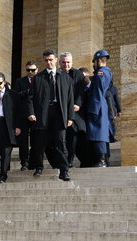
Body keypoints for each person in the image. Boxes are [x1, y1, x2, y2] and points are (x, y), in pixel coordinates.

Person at [27, 49, 75, 181]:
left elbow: (70, 99)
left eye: (51, 60)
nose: (48, 62)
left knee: (61, 142)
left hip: (59, 114)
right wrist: (31, 112)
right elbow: (30, 98)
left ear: (55, 60)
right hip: (43, 114)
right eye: (46, 60)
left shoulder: (65, 77)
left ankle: (64, 170)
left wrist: (70, 116)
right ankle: (38, 167)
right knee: (40, 142)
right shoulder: (38, 78)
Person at [0, 72, 21, 183]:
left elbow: (18, 112)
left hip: (7, 125)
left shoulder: (13, 95)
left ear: (4, 82)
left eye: (0, 83)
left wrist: (18, 126)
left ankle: (3, 174)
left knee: (6, 151)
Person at [86, 49, 113, 167]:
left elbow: (98, 91)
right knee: (101, 133)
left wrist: (94, 109)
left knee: (99, 133)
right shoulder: (105, 72)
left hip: (98, 106)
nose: (93, 65)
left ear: (99, 60)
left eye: (94, 62)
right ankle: (105, 160)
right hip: (100, 106)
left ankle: (102, 160)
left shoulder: (101, 72)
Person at [59, 52, 86, 169]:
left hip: (74, 111)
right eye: (64, 62)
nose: (66, 64)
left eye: (68, 62)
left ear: (72, 62)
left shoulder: (78, 74)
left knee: (74, 134)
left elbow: (81, 91)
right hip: (59, 111)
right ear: (60, 63)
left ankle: (69, 161)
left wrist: (78, 104)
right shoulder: (57, 74)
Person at [13, 61, 38, 170]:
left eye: (32, 70)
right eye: (28, 70)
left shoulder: (40, 80)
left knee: (36, 139)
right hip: (23, 115)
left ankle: (34, 161)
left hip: (37, 115)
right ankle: (24, 163)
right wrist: (27, 91)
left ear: (37, 69)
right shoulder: (20, 81)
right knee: (23, 141)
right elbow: (15, 96)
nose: (30, 72)